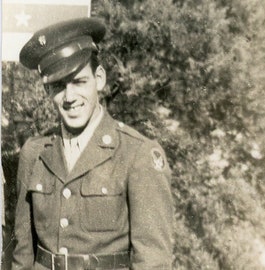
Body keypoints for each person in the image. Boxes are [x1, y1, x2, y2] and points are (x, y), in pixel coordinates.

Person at [12, 17, 173, 270]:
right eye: (57, 86)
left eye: (79, 82)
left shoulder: (137, 153)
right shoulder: (34, 153)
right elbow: (21, 253)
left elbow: (153, 261)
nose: (69, 97)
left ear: (99, 78)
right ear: (47, 92)